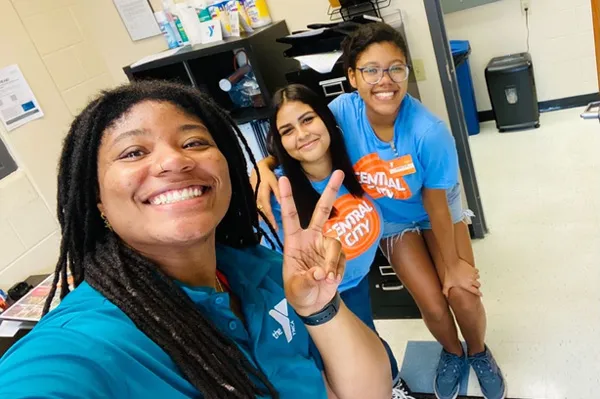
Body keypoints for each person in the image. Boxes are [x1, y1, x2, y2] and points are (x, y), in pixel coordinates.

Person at [0, 81, 393, 399]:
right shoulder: (83, 344)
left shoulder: (266, 271)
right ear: (97, 199)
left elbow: (370, 392)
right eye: (134, 152)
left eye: (193, 143)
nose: (174, 161)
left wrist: (319, 308)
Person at [252, 23, 506, 399]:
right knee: (432, 304)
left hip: (436, 210)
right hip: (392, 221)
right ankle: (453, 353)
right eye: (370, 70)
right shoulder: (341, 111)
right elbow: (301, 137)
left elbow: (437, 200)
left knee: (461, 292)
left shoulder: (428, 131)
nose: (383, 80)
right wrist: (262, 166)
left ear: (406, 71)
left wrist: (452, 263)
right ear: (353, 76)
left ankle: (479, 352)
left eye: (395, 68)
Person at [261, 84, 413, 399]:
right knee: (340, 369)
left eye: (308, 119)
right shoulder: (280, 197)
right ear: (280, 144)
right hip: (318, 300)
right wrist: (260, 170)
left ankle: (393, 382)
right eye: (287, 130)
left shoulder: (358, 164)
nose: (301, 134)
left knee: (369, 339)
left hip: (355, 284)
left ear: (327, 120)